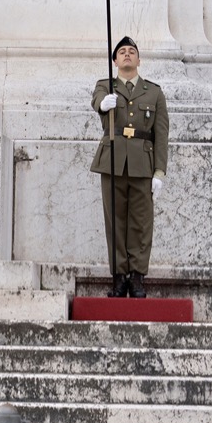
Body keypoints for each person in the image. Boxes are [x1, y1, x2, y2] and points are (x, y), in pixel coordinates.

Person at [91, 36, 169, 298]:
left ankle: (137, 277)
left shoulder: (154, 92)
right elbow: (96, 101)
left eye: (131, 51)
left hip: (142, 165)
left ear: (138, 59)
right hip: (112, 162)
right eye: (122, 52)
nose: (126, 54)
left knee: (141, 223)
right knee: (115, 221)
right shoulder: (105, 86)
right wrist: (103, 104)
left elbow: (161, 135)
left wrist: (159, 171)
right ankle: (118, 276)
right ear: (115, 60)